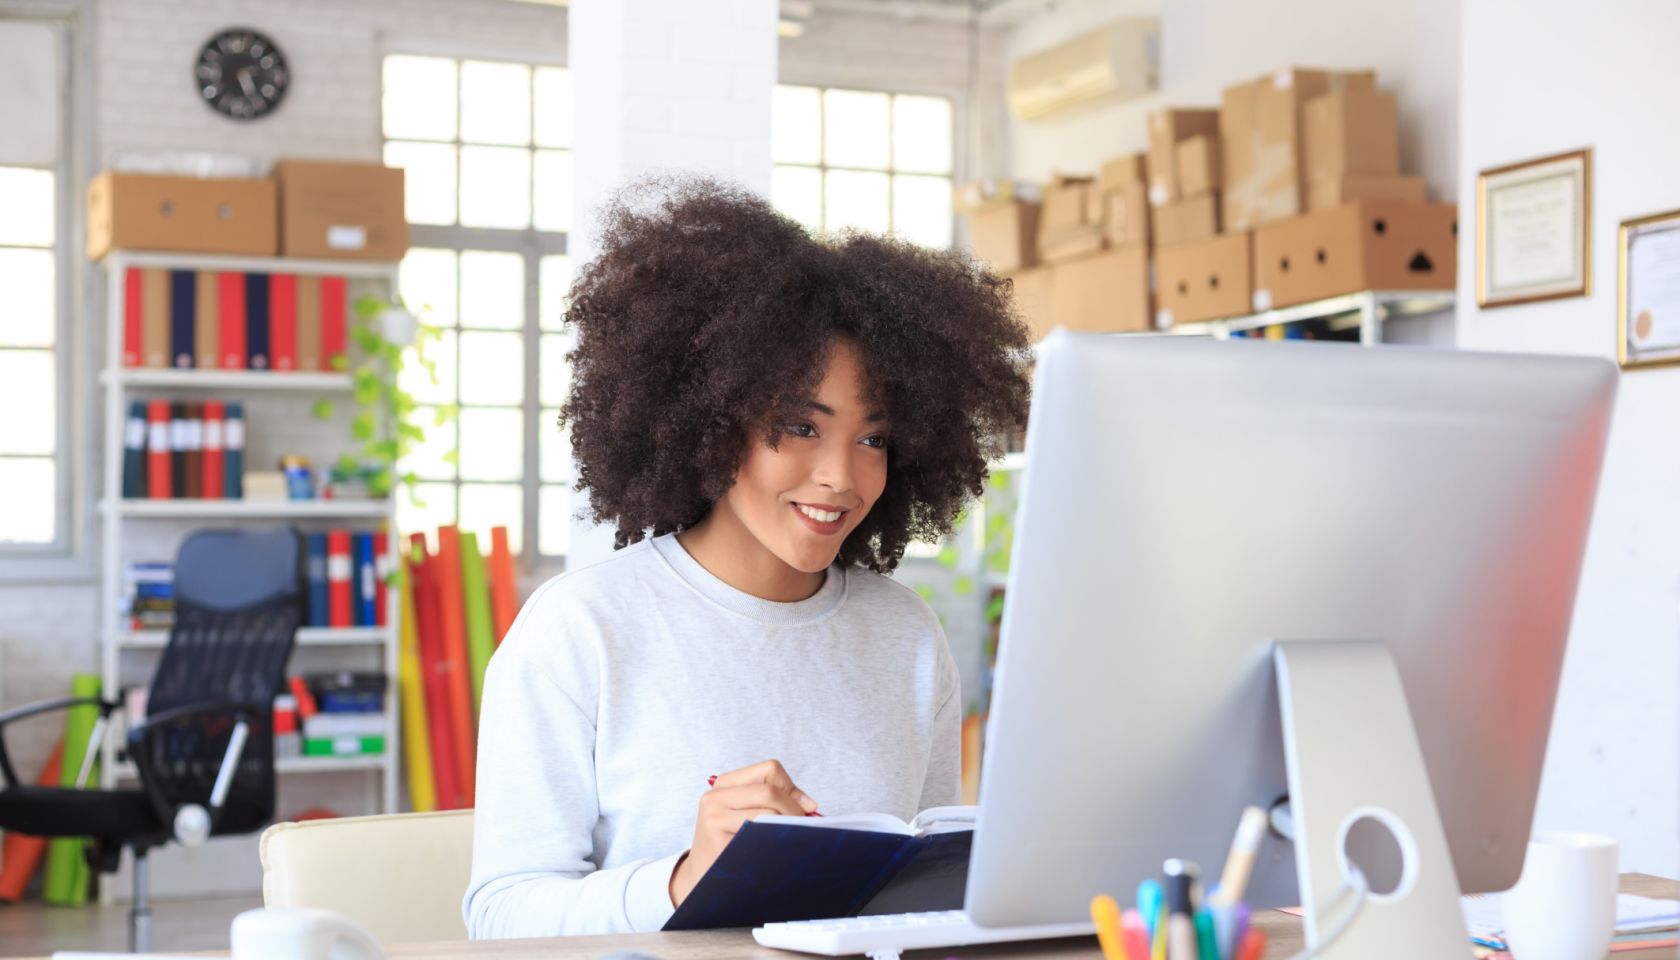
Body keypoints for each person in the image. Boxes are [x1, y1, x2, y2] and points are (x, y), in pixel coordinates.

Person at [464, 177, 1032, 937]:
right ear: (712, 417)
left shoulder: (905, 634)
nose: (840, 475)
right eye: (801, 426)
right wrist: (682, 879)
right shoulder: (581, 629)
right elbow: (498, 917)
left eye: (873, 438)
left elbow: (922, 891)